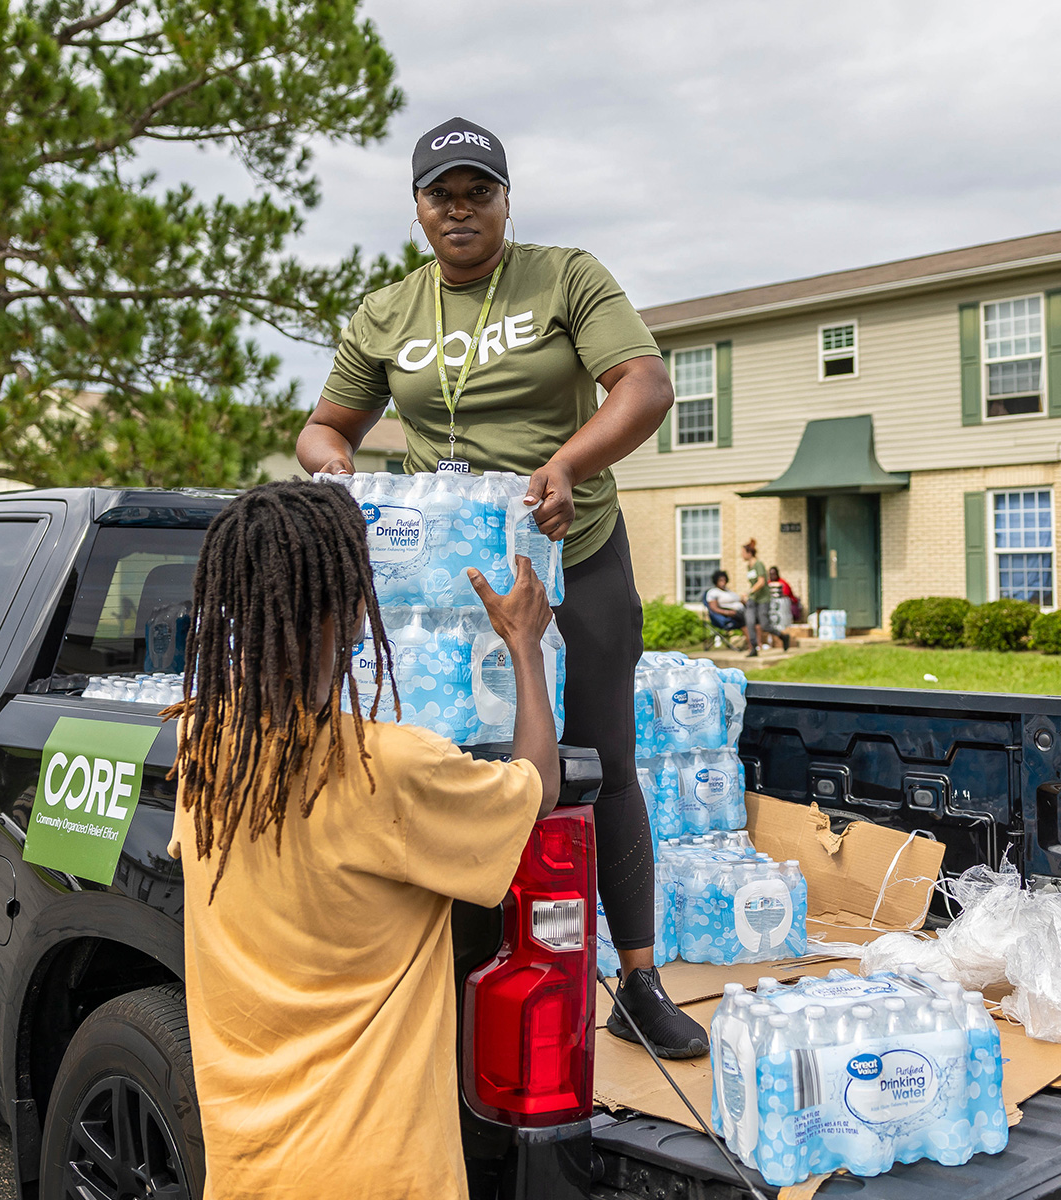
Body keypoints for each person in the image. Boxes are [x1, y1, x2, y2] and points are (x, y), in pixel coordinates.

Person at [297, 116, 708, 1059]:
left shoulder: (564, 276)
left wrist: (566, 464)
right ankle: (447, 969)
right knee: (455, 763)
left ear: (505, 200)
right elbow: (327, 427)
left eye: (479, 191)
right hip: (452, 585)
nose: (461, 208)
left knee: (599, 761)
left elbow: (643, 385)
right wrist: (339, 479)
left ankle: (637, 983)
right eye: (443, 193)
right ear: (418, 208)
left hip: (577, 553)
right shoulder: (388, 312)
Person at [167, 481, 560, 1200]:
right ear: (351, 611)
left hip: (247, 1170)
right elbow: (536, 790)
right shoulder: (390, 766)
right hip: (381, 1173)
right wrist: (525, 649)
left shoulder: (204, 743)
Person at [741, 539, 789, 656]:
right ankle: (753, 648)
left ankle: (783, 636)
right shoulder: (749, 566)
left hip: (763, 599)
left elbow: (761, 582)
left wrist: (749, 592)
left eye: (743, 552)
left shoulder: (759, 564)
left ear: (749, 553)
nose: (741, 555)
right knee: (750, 621)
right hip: (753, 599)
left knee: (764, 625)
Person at [768, 564, 801, 629]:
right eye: (771, 574)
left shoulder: (782, 583)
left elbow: (785, 595)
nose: (772, 576)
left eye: (774, 574)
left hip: (784, 607)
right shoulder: (768, 583)